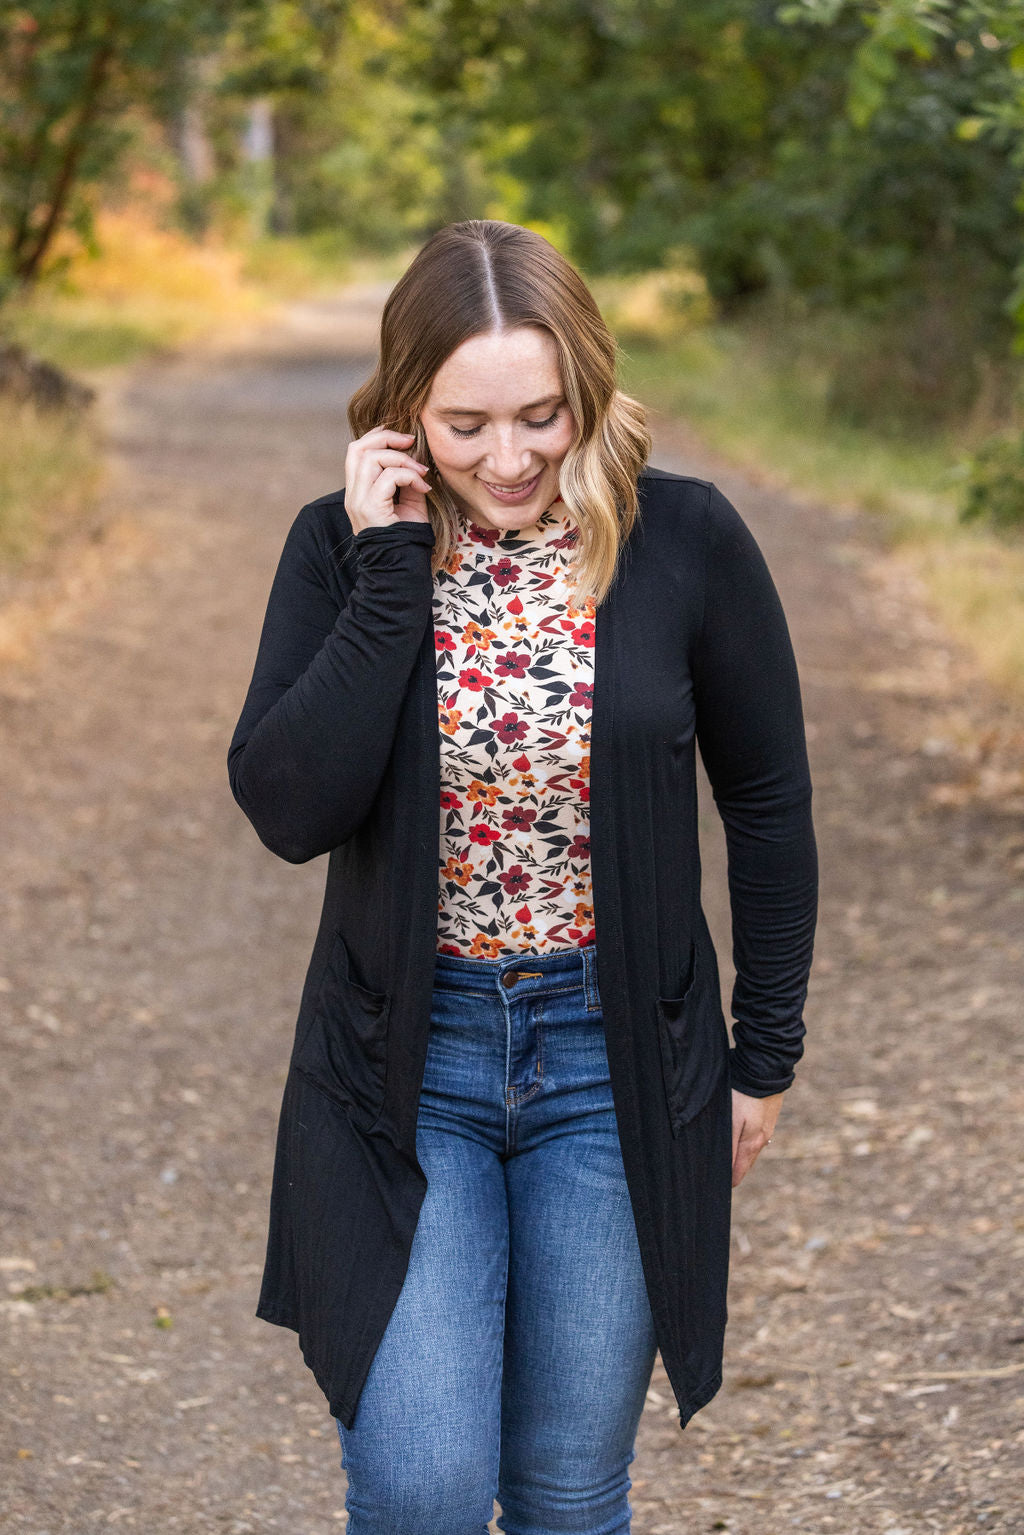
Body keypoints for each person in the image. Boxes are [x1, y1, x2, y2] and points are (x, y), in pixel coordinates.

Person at [227, 218, 818, 1534]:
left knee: (564, 1488)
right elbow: (287, 807)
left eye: (543, 417)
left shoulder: (687, 545)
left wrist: (762, 1056)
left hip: (617, 1069)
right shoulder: (339, 552)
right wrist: (389, 578)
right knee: (423, 1487)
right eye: (466, 425)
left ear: (590, 392)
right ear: (400, 416)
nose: (511, 459)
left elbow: (770, 806)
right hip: (401, 1065)